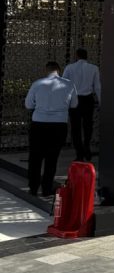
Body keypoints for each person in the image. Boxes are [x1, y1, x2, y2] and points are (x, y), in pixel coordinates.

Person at [24, 62, 78, 197]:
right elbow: (74, 104)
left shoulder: (37, 84)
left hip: (39, 124)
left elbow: (28, 104)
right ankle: (47, 189)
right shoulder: (69, 84)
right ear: (59, 70)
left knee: (35, 157)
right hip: (59, 125)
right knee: (52, 158)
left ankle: (33, 188)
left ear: (46, 70)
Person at [63, 48, 101, 160]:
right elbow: (97, 87)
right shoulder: (94, 68)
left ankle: (79, 153)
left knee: (75, 127)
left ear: (76, 56)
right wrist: (101, 101)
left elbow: (64, 84)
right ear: (86, 56)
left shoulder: (69, 68)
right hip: (88, 99)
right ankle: (87, 148)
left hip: (74, 99)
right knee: (88, 125)